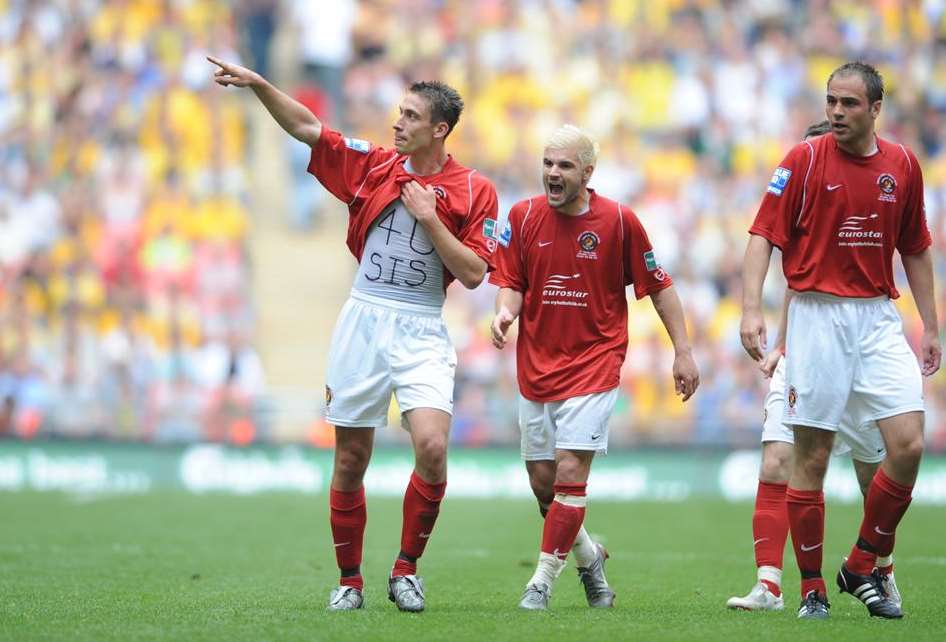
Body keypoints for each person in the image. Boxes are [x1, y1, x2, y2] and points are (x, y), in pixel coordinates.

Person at [209, 56, 499, 613]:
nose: (398, 123)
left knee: (434, 450)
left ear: (439, 129)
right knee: (350, 459)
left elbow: (471, 273)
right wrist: (262, 84)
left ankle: (406, 570)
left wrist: (431, 216)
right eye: (399, 112)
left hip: (421, 326)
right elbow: (306, 129)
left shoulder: (473, 190)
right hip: (364, 318)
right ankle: (349, 581)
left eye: (411, 116)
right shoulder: (376, 166)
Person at [740, 62, 940, 620]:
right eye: (830, 102)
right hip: (816, 315)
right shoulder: (802, 160)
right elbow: (762, 236)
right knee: (812, 455)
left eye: (849, 104)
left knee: (908, 445)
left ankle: (859, 565)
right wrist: (752, 307)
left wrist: (931, 323)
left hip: (877, 317)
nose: (836, 113)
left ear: (876, 109)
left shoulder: (902, 165)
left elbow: (916, 248)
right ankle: (811, 590)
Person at [490, 125, 700, 611]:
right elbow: (512, 282)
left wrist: (683, 350)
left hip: (594, 364)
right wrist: (505, 311)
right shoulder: (521, 217)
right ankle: (590, 557)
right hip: (537, 367)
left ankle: (540, 582)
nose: (552, 173)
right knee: (544, 487)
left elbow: (660, 286)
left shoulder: (620, 222)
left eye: (564, 165)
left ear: (588, 172)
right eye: (547, 163)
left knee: (568, 474)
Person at [727, 120, 900, 612]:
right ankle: (773, 585)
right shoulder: (796, 196)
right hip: (803, 353)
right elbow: (798, 286)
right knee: (778, 461)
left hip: (860, 353)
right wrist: (781, 341)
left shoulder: (864, 197)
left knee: (873, 477)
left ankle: (879, 568)